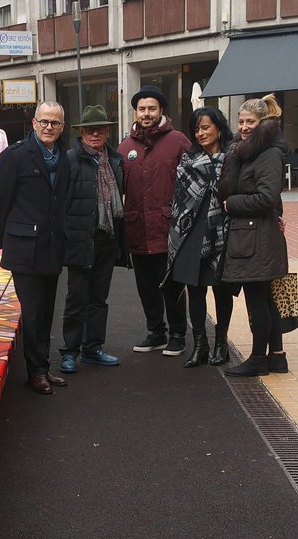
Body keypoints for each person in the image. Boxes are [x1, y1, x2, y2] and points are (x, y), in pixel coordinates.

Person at [0, 101, 72, 395]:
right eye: (44, 122)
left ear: (62, 127)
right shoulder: (15, 157)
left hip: (52, 247)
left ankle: (43, 366)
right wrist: (1, 240)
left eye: (56, 123)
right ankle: (35, 371)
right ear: (34, 123)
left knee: (48, 309)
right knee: (33, 311)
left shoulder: (64, 157)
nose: (49, 127)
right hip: (24, 249)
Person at [117, 84, 192, 357]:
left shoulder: (178, 141)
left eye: (151, 108)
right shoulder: (125, 147)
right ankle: (155, 332)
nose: (146, 114)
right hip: (137, 229)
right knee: (146, 286)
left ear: (161, 110)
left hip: (168, 229)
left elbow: (192, 184)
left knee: (171, 286)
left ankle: (178, 334)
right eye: (141, 109)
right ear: (135, 112)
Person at [218, 94, 290, 377]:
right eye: (241, 121)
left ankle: (259, 358)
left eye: (250, 122)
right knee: (264, 298)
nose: (245, 127)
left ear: (263, 123)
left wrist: (231, 203)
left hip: (256, 236)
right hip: (251, 234)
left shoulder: (268, 152)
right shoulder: (245, 150)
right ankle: (277, 356)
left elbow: (268, 197)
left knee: (257, 299)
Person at [57, 104, 129, 375]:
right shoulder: (70, 160)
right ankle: (69, 352)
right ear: (82, 132)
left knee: (99, 297)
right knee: (77, 298)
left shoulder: (115, 160)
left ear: (108, 132)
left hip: (107, 238)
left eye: (100, 128)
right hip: (79, 240)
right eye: (89, 129)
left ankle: (93, 348)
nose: (95, 133)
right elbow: (61, 202)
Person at [166, 107, 235, 369]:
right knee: (195, 291)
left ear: (218, 127)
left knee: (221, 289)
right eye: (196, 129)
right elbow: (179, 198)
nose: (201, 133)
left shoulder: (232, 158)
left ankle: (221, 342)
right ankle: (200, 346)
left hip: (221, 231)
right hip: (191, 232)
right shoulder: (188, 160)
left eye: (205, 127)